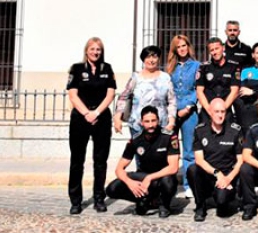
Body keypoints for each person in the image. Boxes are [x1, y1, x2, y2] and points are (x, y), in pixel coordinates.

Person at [66, 37, 116, 214]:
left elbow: (110, 94)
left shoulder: (107, 68)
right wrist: (87, 113)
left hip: (101, 118)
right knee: (77, 161)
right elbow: (73, 95)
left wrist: (96, 113)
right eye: (93, 49)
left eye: (99, 50)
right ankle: (76, 201)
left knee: (100, 162)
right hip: (80, 119)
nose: (96, 52)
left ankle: (99, 198)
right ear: (86, 50)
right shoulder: (77, 69)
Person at [105, 105, 179, 218]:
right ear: (141, 123)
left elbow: (173, 167)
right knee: (111, 189)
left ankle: (164, 204)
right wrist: (130, 183)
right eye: (147, 121)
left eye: (153, 121)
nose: (151, 125)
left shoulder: (169, 137)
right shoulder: (135, 140)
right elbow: (119, 169)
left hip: (162, 178)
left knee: (169, 181)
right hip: (142, 177)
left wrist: (149, 178)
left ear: (158, 121)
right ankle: (144, 200)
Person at [187, 98, 243, 221]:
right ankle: (200, 206)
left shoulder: (235, 130)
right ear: (210, 112)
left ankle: (223, 199)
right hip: (209, 175)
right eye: (216, 111)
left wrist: (228, 178)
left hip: (227, 175)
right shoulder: (200, 130)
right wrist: (217, 173)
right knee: (192, 169)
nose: (220, 115)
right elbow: (199, 160)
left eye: (222, 111)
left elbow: (240, 160)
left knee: (222, 205)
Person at [114, 45, 176, 137]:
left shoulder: (165, 78)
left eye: (154, 57)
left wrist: (171, 122)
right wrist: (117, 118)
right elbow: (123, 97)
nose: (151, 60)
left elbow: (172, 101)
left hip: (160, 126)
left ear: (158, 58)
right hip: (137, 126)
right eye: (148, 57)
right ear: (143, 59)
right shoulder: (136, 77)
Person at [166, 34, 201, 198]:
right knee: (171, 150)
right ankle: (168, 186)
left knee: (189, 151)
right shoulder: (170, 68)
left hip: (189, 112)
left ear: (188, 47)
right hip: (172, 113)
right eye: (178, 47)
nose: (181, 49)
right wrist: (172, 110)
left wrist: (188, 106)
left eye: (184, 46)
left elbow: (198, 88)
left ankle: (189, 185)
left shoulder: (196, 66)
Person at [196, 37, 240, 125]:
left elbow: (235, 91)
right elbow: (199, 91)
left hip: (226, 110)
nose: (215, 52)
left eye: (217, 48)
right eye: (212, 50)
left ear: (223, 48)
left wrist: (221, 110)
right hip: (207, 112)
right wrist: (210, 110)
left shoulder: (233, 66)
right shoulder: (203, 67)